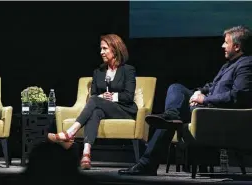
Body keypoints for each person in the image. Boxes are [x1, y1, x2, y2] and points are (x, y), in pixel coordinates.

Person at [118, 25, 252, 176]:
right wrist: (198, 92)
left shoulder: (246, 64)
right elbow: (212, 85)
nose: (222, 46)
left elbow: (238, 96)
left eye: (226, 43)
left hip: (216, 112)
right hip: (206, 107)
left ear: (237, 46)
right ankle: (171, 115)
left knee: (171, 118)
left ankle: (147, 163)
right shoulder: (229, 64)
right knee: (176, 88)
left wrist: (204, 99)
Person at [47, 34, 138, 170]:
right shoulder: (98, 72)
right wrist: (102, 96)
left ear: (115, 48)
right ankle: (86, 154)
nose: (101, 52)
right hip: (103, 109)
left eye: (105, 48)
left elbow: (128, 96)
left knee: (95, 101)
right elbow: (95, 94)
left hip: (124, 110)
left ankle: (70, 133)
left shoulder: (128, 70)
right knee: (95, 111)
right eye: (101, 49)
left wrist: (111, 97)